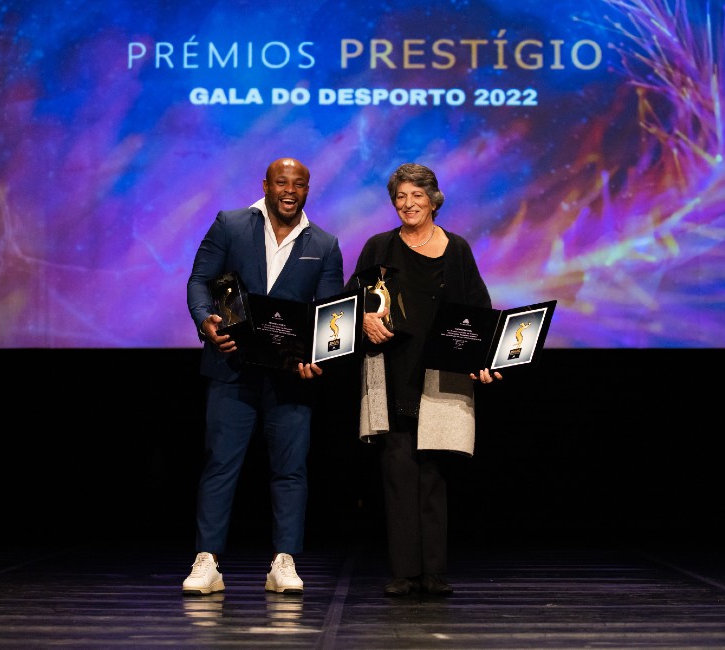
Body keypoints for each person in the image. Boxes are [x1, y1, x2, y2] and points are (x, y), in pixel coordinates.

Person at [184, 157, 344, 595]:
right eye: (281, 182)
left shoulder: (325, 244)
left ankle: (284, 561)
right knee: (220, 464)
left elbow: (331, 313)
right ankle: (208, 561)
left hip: (290, 376)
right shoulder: (231, 224)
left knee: (290, 470)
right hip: (230, 367)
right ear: (267, 185)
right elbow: (200, 281)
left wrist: (320, 356)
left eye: (299, 184)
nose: (289, 190)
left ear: (308, 189)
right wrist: (206, 322)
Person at [346, 162, 500, 597]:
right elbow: (349, 303)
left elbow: (479, 310)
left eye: (417, 195)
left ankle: (433, 572)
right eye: (400, 197)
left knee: (433, 475)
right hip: (391, 374)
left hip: (441, 376)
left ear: (434, 199)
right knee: (398, 472)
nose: (408, 204)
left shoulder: (457, 249)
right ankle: (404, 572)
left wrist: (485, 357)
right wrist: (364, 321)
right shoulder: (378, 248)